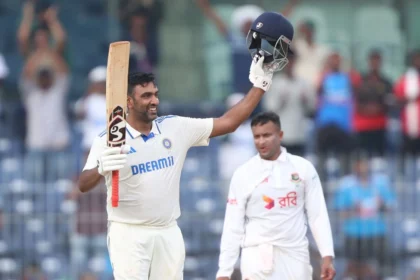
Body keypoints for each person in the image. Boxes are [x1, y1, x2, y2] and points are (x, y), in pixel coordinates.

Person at [78, 11, 294, 280]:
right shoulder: (109, 138)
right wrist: (102, 166)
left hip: (168, 231)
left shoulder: (174, 127)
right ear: (129, 103)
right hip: (128, 233)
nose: (154, 100)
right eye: (146, 96)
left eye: (155, 94)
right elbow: (83, 184)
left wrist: (260, 85)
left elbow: (228, 122)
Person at [216, 112, 335, 280]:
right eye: (256, 136)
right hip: (256, 257)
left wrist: (327, 255)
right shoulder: (243, 174)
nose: (261, 141)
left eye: (267, 135)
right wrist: (224, 271)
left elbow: (318, 215)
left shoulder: (303, 168)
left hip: (295, 256)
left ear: (280, 135)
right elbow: (232, 224)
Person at [334, 154, 396, 279]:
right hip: (354, 234)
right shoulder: (346, 185)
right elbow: (339, 213)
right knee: (355, 270)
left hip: (377, 233)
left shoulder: (381, 182)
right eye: (358, 165)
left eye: (364, 164)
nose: (362, 168)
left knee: (383, 270)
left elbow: (391, 206)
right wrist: (355, 210)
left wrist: (381, 205)